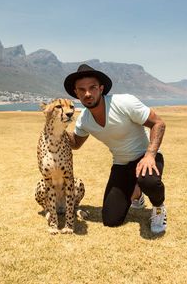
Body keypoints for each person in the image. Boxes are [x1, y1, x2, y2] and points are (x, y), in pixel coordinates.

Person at [64, 64, 167, 234]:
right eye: (82, 90)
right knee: (111, 219)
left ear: (101, 88)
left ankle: (158, 208)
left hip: (146, 158)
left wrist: (149, 155)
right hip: (121, 165)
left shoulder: (123, 102)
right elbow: (76, 143)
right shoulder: (84, 119)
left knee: (148, 180)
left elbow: (158, 123)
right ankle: (137, 194)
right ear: (76, 93)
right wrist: (56, 129)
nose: (87, 94)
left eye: (92, 88)